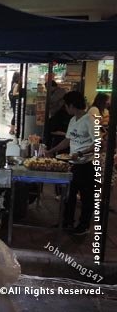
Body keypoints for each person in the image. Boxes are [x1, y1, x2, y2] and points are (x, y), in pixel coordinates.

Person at [45, 91, 95, 235]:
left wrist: (80, 153)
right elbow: (68, 140)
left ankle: (84, 226)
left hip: (86, 164)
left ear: (72, 105)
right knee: (69, 194)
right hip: (72, 163)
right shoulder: (73, 120)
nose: (65, 108)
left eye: (66, 105)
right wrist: (52, 150)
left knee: (86, 197)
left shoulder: (90, 120)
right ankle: (67, 221)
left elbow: (99, 143)